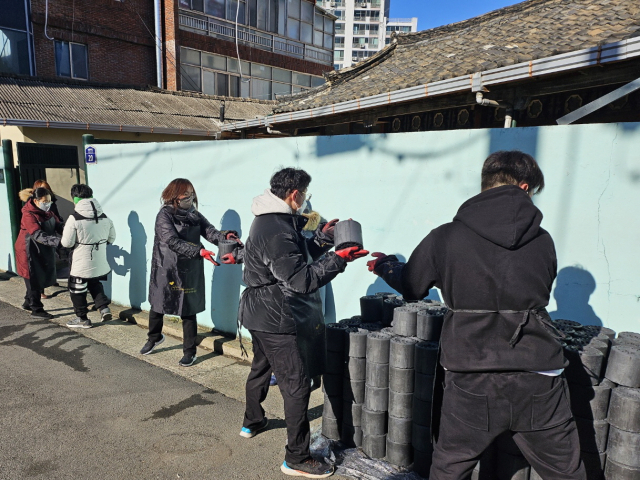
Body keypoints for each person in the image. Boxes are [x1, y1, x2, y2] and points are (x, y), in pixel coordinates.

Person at [367, 151, 586, 480]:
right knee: (566, 472)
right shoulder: (544, 242)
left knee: (450, 468)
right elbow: (539, 291)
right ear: (524, 187)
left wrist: (387, 266)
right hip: (539, 375)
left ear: (486, 185)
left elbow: (412, 285)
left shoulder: (446, 236)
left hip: (472, 374)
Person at [237, 167, 368, 479]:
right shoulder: (276, 229)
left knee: (262, 366)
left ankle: (252, 421)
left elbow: (296, 255)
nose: (306, 200)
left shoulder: (273, 219)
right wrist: (340, 259)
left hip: (259, 312)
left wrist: (322, 239)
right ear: (294, 195)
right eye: (305, 194)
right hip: (276, 315)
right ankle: (296, 457)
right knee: (296, 385)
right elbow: (299, 279)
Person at [140, 178, 242, 367]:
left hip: (189, 269)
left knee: (188, 311)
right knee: (157, 304)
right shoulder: (164, 215)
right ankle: (154, 337)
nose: (189, 198)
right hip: (166, 267)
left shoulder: (194, 214)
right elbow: (171, 240)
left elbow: (210, 232)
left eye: (191, 194)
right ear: (173, 196)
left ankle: (189, 351)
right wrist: (199, 251)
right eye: (185, 195)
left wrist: (225, 236)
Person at [61, 184, 116, 329]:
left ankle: (83, 319)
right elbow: (112, 238)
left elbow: (66, 243)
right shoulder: (104, 216)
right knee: (94, 283)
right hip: (99, 261)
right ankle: (104, 308)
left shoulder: (74, 218)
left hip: (80, 261)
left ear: (75, 198)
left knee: (77, 289)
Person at [15, 187, 63, 318]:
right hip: (27, 250)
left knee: (38, 276)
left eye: (49, 201)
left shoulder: (48, 213)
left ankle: (27, 302)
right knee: (33, 278)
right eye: (45, 201)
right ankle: (36, 309)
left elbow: (58, 225)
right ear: (36, 201)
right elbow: (37, 234)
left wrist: (69, 232)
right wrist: (58, 242)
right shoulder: (28, 214)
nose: (48, 204)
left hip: (41, 248)